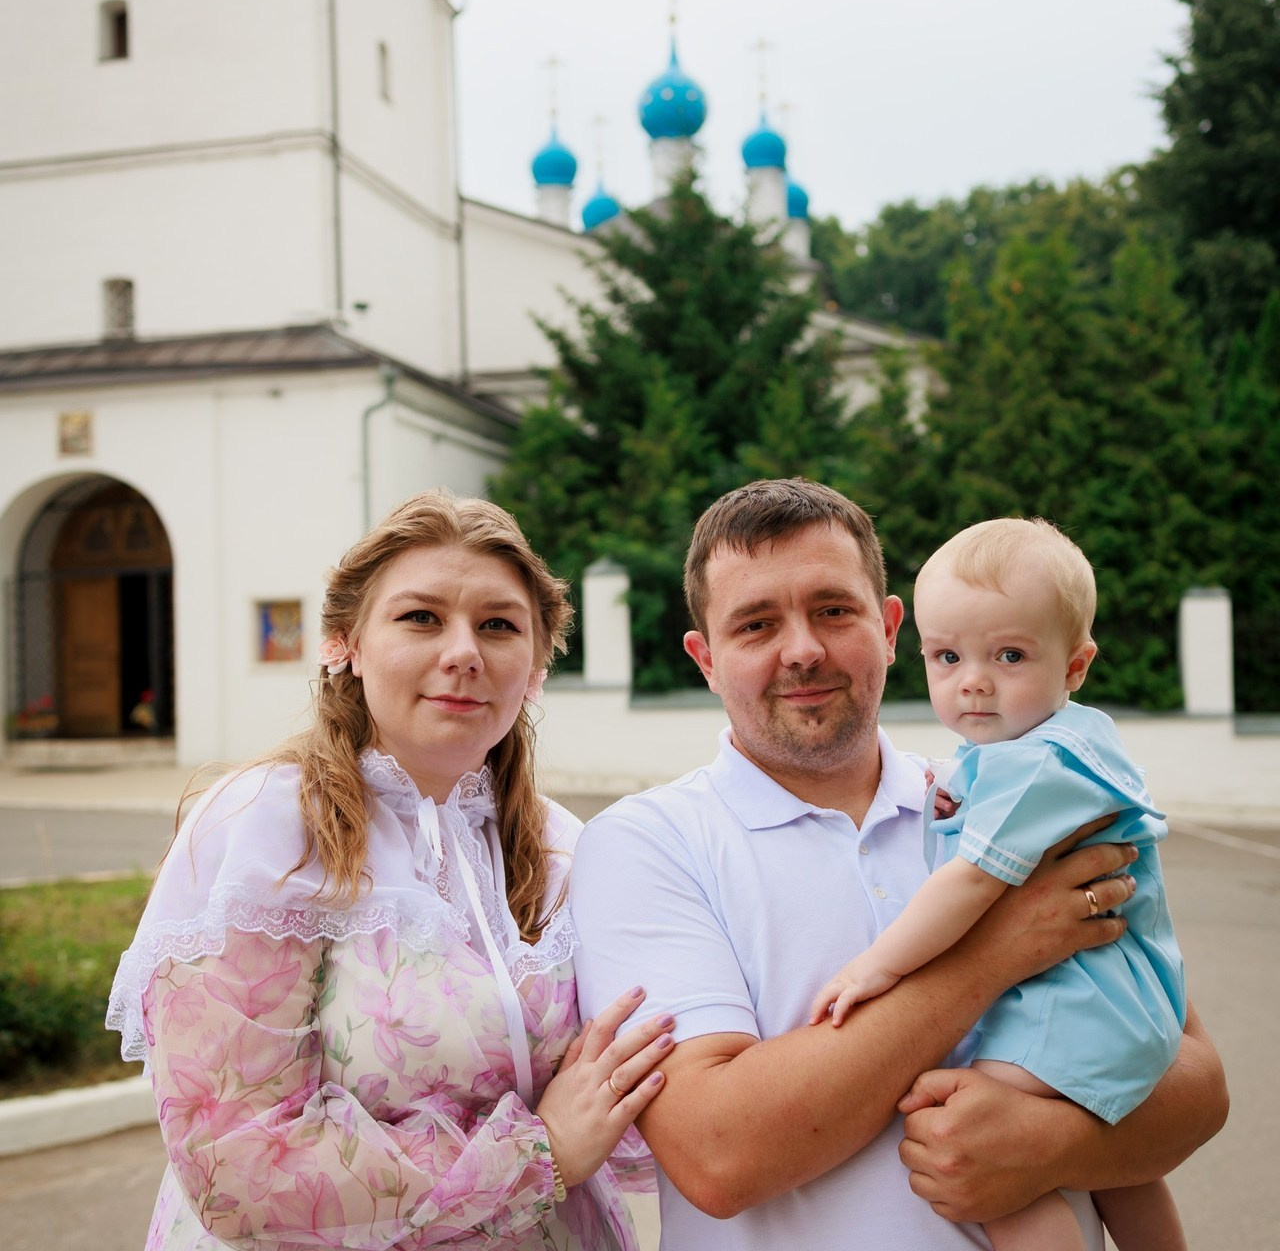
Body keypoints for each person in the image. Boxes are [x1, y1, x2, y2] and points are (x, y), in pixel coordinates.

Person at [570, 478, 1227, 1251]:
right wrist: (996, 953)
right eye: (755, 625)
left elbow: (1197, 1085)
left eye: (833, 610)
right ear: (706, 659)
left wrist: (1051, 1142)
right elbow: (720, 1155)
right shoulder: (647, 843)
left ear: (888, 629)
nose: (803, 648)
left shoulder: (1001, 800)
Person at [107, 490, 675, 1251]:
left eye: (499, 625)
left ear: (536, 664)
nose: (464, 652)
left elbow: (635, 1086)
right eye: (421, 618)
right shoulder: (266, 831)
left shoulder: (565, 847)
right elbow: (234, 1164)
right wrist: (539, 1154)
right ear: (347, 641)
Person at [809, 516, 1187, 1250]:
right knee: (1121, 1171)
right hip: (1129, 1008)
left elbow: (970, 885)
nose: (973, 681)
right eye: (947, 656)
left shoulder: (1031, 766)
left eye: (1009, 655)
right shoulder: (1072, 742)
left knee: (979, 1154)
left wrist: (875, 965)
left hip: (1072, 1011)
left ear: (1075, 666)